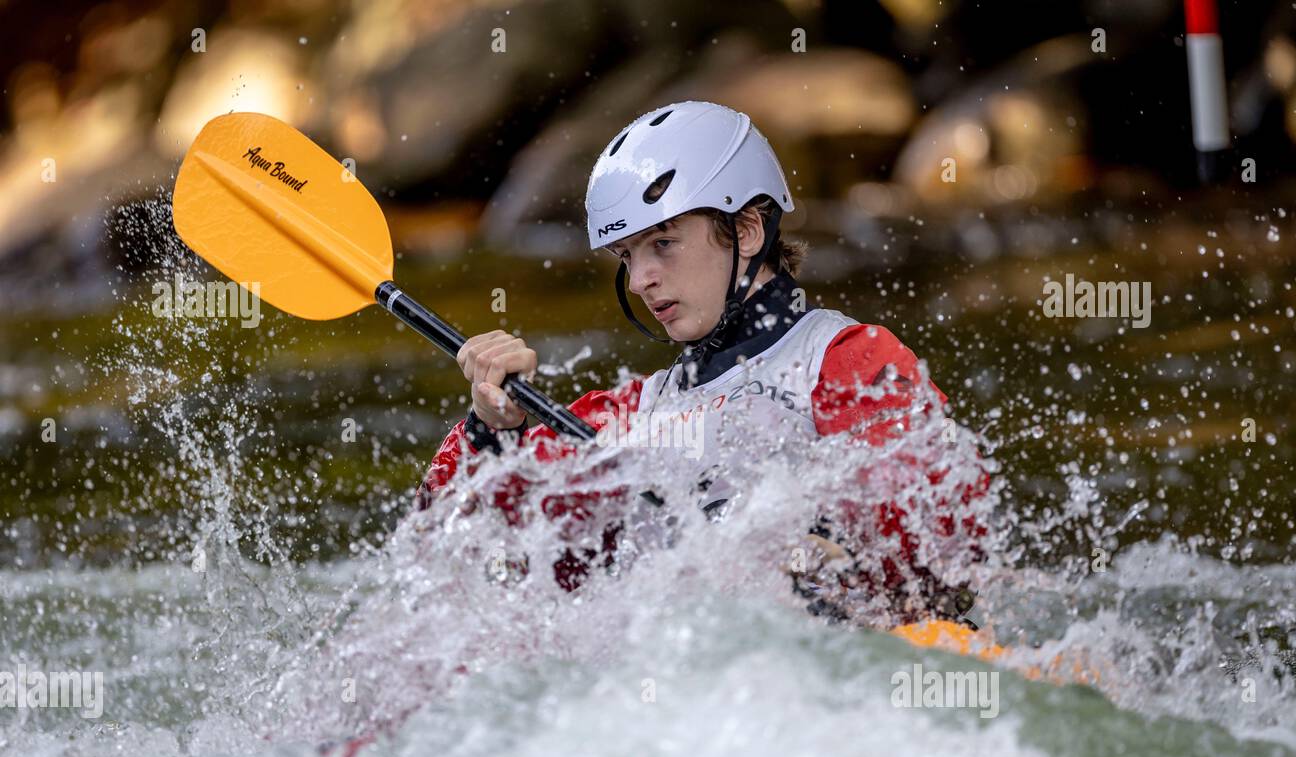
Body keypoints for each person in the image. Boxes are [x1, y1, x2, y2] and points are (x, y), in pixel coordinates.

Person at [417, 101, 986, 619]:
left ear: (746, 227)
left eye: (662, 242)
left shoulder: (845, 362)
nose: (639, 279)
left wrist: (816, 548)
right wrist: (493, 433)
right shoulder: (627, 416)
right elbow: (449, 551)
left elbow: (941, 538)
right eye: (627, 254)